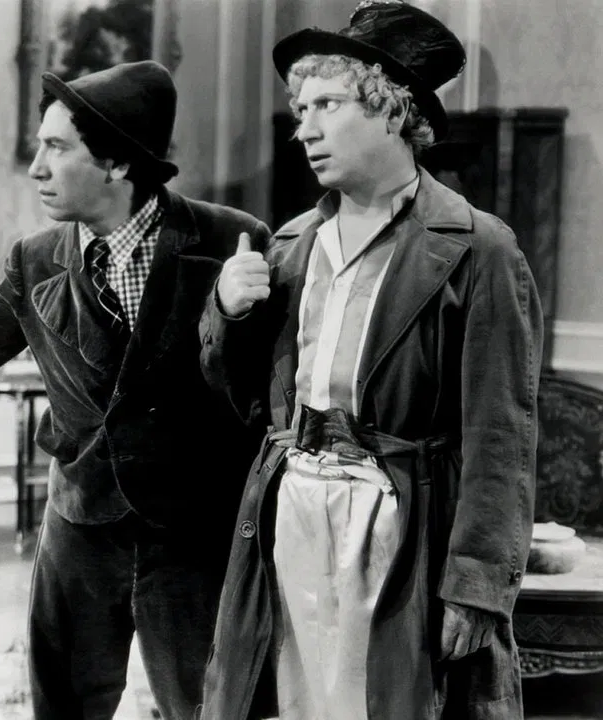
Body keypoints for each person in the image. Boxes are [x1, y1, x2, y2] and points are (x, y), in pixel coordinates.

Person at [0, 60, 268, 719]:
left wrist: (231, 312)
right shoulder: (35, 258)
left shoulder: (229, 239)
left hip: (193, 534)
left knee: (209, 708)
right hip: (81, 528)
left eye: (56, 147)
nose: (36, 168)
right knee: (64, 709)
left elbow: (256, 393)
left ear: (117, 162)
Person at [198, 3, 541, 719]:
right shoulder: (291, 246)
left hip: (400, 526)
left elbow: (500, 436)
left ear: (392, 110)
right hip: (293, 511)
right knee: (293, 697)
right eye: (301, 109)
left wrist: (477, 585)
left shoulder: (478, 249)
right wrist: (227, 314)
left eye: (327, 104)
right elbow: (244, 400)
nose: (304, 129)